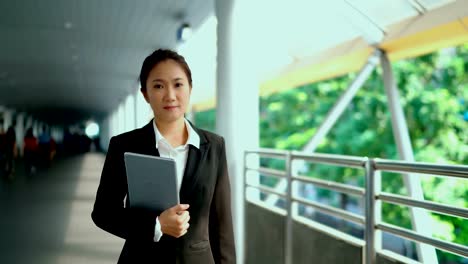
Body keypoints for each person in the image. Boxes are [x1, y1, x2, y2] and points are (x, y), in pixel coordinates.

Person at [92, 49, 236, 263]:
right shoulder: (124, 145)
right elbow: (104, 213)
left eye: (178, 84)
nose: (170, 95)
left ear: (190, 88)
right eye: (158, 86)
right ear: (145, 94)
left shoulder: (214, 146)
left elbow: (221, 223)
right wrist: (156, 225)